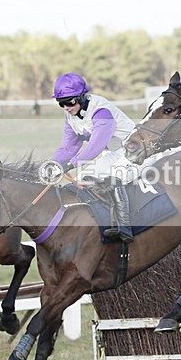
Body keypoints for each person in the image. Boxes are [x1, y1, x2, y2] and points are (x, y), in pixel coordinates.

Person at [50, 73, 138, 242]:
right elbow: (68, 147)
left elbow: (95, 147)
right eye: (61, 103)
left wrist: (69, 165)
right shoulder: (70, 117)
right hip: (115, 152)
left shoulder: (102, 111)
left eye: (70, 102)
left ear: (82, 97)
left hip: (134, 150)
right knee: (84, 177)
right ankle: (101, 222)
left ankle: (125, 227)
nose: (66, 107)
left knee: (113, 176)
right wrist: (52, 165)